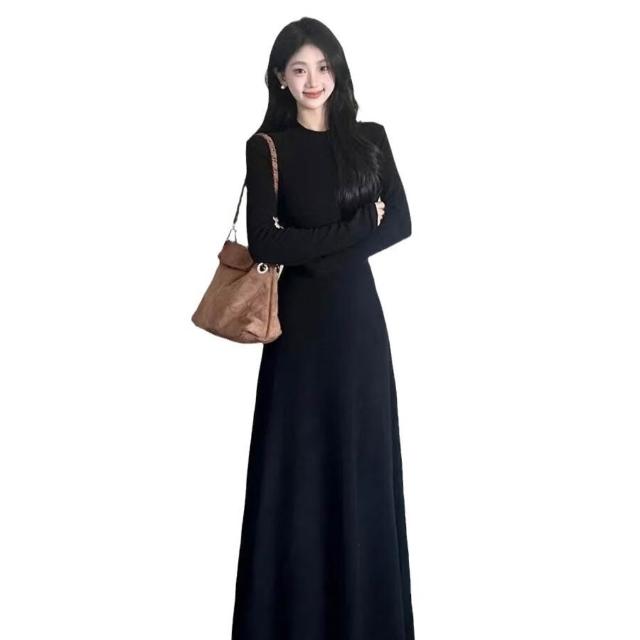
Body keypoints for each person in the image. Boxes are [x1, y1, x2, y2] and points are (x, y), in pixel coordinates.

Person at [231, 17, 414, 640]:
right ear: (280, 77)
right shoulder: (267, 147)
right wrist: (356, 229)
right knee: (298, 474)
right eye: (300, 68)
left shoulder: (370, 139)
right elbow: (266, 242)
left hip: (359, 329)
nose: (313, 80)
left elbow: (400, 224)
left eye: (323, 66)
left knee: (361, 466)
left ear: (338, 70)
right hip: (298, 334)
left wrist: (317, 251)